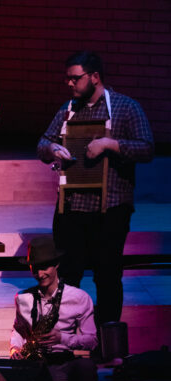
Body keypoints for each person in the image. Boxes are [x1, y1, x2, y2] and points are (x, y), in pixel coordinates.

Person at [37, 51, 154, 326]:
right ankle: (66, 336)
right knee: (66, 274)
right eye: (67, 79)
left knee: (107, 275)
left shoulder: (126, 108)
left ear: (95, 77)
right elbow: (43, 143)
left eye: (75, 78)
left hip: (110, 206)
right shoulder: (68, 110)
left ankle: (107, 342)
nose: (70, 84)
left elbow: (147, 148)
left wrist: (110, 144)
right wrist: (53, 148)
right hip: (71, 206)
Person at [10, 236, 98, 381]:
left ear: (57, 264)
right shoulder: (23, 298)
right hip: (37, 365)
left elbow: (92, 340)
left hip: (64, 362)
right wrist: (15, 348)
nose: (40, 274)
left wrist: (63, 339)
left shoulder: (79, 298)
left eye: (45, 267)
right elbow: (18, 329)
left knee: (86, 367)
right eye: (35, 268)